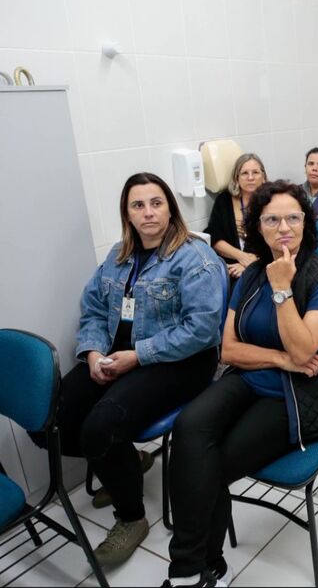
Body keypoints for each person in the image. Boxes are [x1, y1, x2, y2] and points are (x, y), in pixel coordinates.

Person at [164, 181, 318, 587]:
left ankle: (197, 567)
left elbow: (304, 352)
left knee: (211, 462)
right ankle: (193, 566)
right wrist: (278, 358)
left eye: (293, 217)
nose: (283, 227)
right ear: (258, 227)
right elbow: (229, 350)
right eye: (272, 219)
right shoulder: (252, 273)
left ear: (307, 222)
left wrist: (283, 288)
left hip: (300, 394)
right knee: (188, 429)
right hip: (253, 377)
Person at [30, 173, 223, 568]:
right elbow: (95, 310)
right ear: (127, 213)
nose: (148, 212)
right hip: (117, 355)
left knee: (99, 428)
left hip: (180, 361)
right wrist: (94, 354)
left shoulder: (195, 258)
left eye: (156, 203)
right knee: (44, 421)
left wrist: (138, 356)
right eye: (138, 205)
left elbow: (202, 329)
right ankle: (125, 463)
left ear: (170, 207)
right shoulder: (118, 256)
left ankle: (132, 517)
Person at [204, 153, 266, 283]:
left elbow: (278, 240)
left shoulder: (272, 201)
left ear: (263, 177)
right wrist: (241, 257)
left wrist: (252, 263)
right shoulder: (224, 200)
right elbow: (213, 236)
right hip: (230, 268)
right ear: (236, 178)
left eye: (255, 172)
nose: (250, 178)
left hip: (264, 265)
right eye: (244, 173)